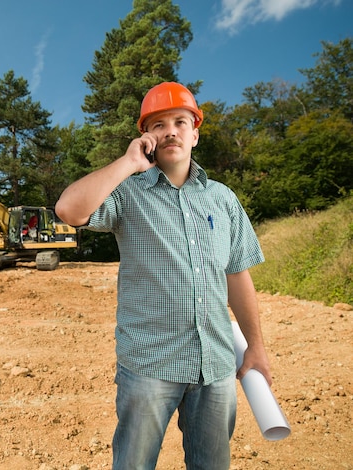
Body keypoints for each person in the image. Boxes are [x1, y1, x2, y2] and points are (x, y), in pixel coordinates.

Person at [54, 82, 272, 470]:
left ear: (195, 134)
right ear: (146, 137)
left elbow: (238, 275)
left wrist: (255, 346)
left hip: (216, 365)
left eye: (180, 122)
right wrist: (128, 164)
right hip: (149, 366)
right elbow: (69, 210)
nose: (170, 130)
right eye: (158, 124)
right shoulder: (127, 194)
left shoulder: (223, 200)